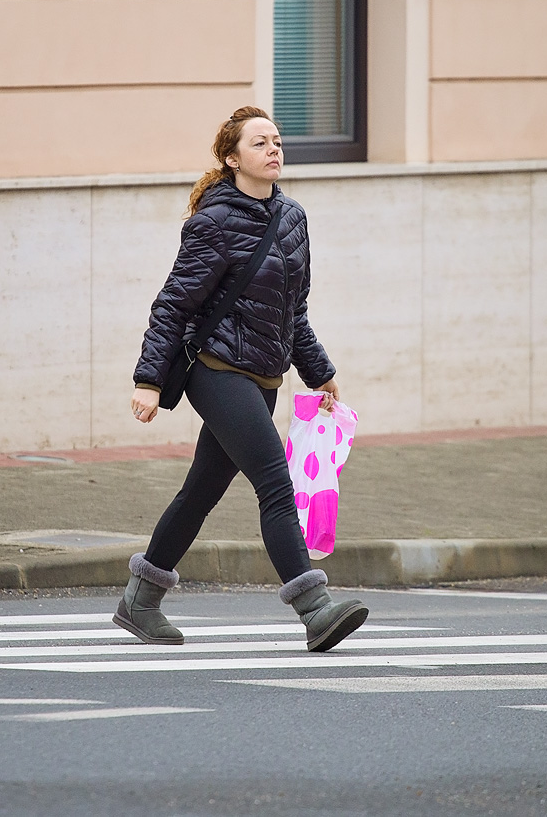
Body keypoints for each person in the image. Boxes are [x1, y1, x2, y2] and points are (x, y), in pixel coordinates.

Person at [117, 106, 368, 652]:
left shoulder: (293, 219)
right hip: (216, 371)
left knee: (201, 491)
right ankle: (315, 608)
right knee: (276, 484)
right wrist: (149, 381)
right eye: (260, 143)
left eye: (278, 141)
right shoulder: (213, 221)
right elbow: (174, 304)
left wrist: (320, 371)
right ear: (232, 158)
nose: (274, 150)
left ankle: (139, 601)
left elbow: (292, 311)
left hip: (264, 377)